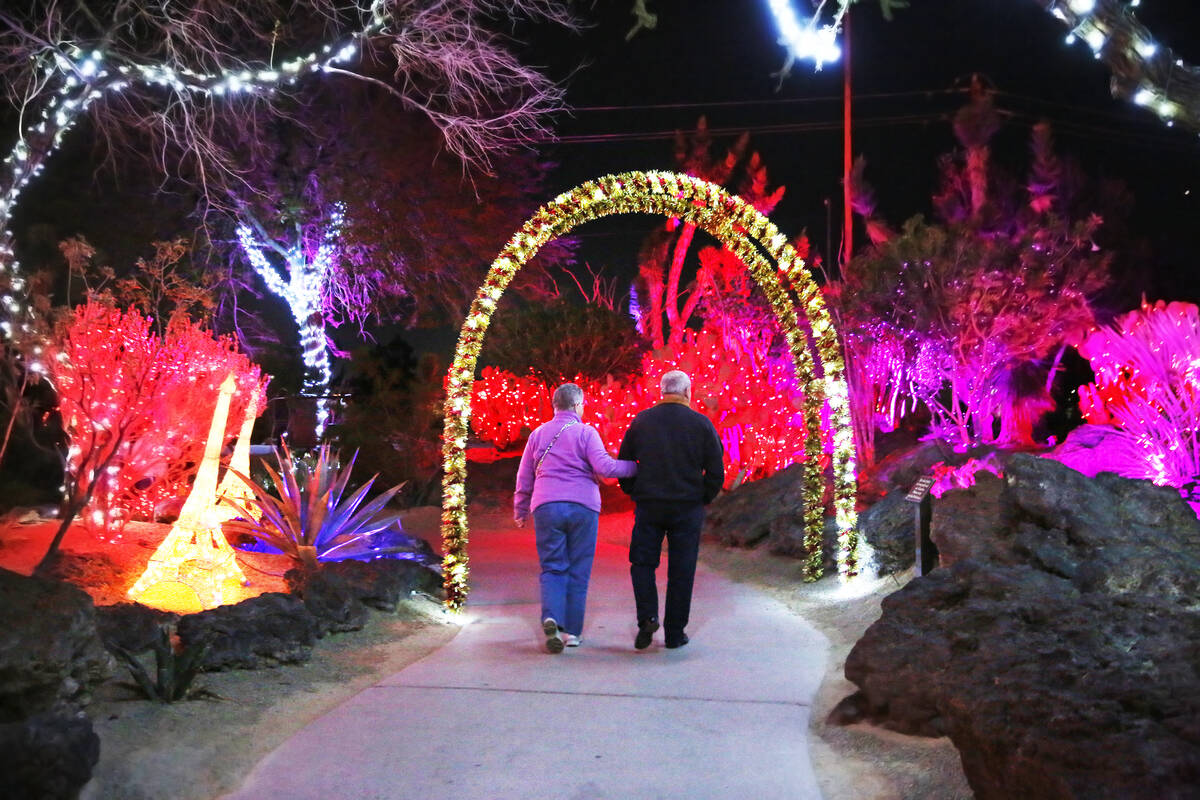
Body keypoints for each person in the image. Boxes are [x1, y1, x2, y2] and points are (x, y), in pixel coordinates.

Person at [514, 383, 637, 653]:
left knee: (553, 567)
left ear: (554, 406)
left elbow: (525, 475)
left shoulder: (537, 434)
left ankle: (551, 618)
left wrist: (520, 509)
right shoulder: (586, 432)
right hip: (583, 506)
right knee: (578, 570)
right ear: (578, 405)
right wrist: (636, 467)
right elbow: (605, 467)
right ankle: (572, 633)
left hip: (546, 505)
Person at [617, 370, 723, 650]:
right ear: (688, 392)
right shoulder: (701, 424)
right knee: (682, 569)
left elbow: (625, 462)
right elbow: (716, 470)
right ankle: (675, 633)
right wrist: (703, 496)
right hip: (687, 506)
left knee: (642, 563)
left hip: (649, 504)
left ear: (662, 392)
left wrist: (634, 490)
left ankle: (648, 617)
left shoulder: (642, 421)